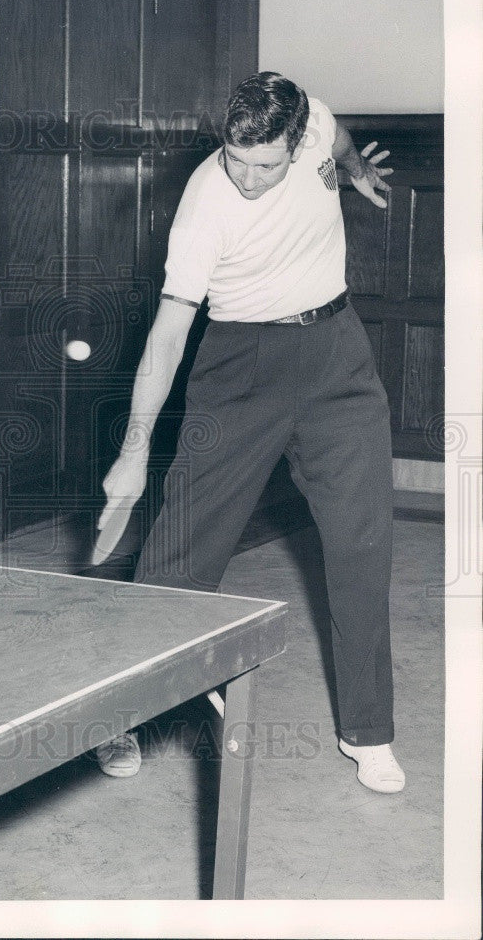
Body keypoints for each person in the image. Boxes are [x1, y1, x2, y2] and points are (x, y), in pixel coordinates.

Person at [93, 72, 405, 794]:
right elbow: (168, 338)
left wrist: (354, 169)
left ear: (297, 143)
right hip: (238, 366)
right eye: (236, 159)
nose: (248, 178)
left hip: (336, 353)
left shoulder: (318, 122)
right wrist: (132, 455)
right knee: (181, 550)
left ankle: (369, 733)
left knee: (362, 540)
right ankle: (119, 714)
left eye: (266, 165)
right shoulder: (205, 205)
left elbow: (341, 137)